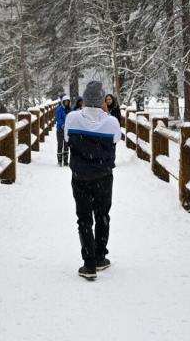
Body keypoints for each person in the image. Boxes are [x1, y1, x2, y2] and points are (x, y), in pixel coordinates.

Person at [66, 81, 121, 280]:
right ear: (101, 101)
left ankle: (88, 264)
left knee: (84, 218)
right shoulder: (112, 122)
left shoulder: (72, 119)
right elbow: (116, 140)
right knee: (102, 215)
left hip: (80, 176)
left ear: (84, 98)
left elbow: (67, 139)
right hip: (103, 177)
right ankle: (100, 257)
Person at [55, 95, 71, 167]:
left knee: (66, 145)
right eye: (65, 101)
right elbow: (58, 119)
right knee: (60, 144)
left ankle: (65, 161)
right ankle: (59, 161)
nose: (66, 102)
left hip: (67, 130)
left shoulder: (71, 110)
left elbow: (72, 118)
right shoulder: (59, 110)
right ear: (63, 102)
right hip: (60, 130)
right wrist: (62, 125)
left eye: (68, 101)